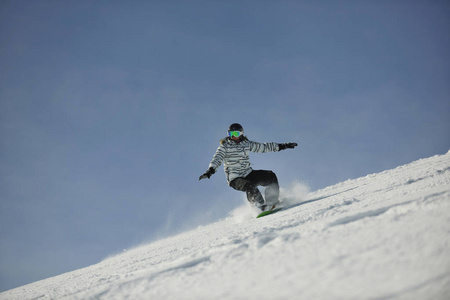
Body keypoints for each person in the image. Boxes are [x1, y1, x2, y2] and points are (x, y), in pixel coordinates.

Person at [199, 123, 297, 211]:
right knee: (250, 187)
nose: (233, 136)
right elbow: (217, 158)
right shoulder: (224, 147)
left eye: (236, 134)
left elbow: (263, 147)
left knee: (270, 176)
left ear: (241, 133)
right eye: (230, 134)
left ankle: (272, 202)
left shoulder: (246, 144)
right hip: (235, 178)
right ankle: (260, 207)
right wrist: (210, 171)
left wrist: (283, 146)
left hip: (248, 173)